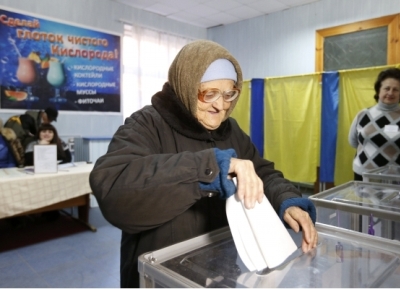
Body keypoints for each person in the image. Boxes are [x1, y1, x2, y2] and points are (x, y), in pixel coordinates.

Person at [89, 40, 318, 288]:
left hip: (221, 270)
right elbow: (113, 190)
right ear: (186, 86)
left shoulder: (231, 131)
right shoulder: (146, 124)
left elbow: (262, 172)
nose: (221, 105)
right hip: (162, 277)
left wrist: (286, 201)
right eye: (209, 94)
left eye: (229, 94)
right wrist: (210, 167)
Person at [349, 67, 400, 181]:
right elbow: (353, 141)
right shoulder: (363, 115)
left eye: (395, 89)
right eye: (386, 88)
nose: (390, 93)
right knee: (364, 200)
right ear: (379, 90)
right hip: (364, 175)